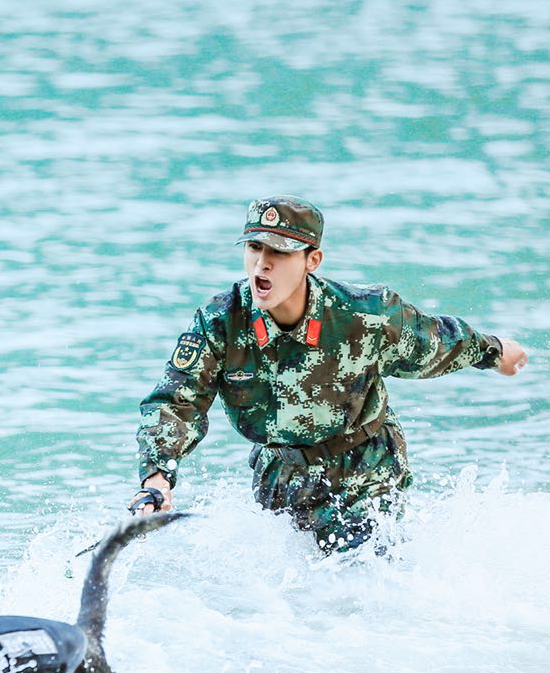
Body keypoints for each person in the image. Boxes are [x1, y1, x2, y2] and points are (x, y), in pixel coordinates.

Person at [131, 196, 528, 552]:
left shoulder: (365, 315)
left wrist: (495, 352)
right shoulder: (220, 322)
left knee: (357, 584)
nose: (262, 263)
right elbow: (176, 402)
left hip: (365, 468)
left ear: (312, 260)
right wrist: (157, 477)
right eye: (254, 248)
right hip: (280, 473)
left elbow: (434, 342)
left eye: (280, 252)